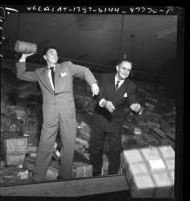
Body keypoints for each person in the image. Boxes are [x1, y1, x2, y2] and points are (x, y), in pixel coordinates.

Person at [16, 46, 99, 181]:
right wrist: (24, 57)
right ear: (45, 57)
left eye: (56, 52)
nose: (55, 54)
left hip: (68, 113)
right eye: (51, 52)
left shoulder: (67, 66)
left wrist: (93, 83)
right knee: (45, 145)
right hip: (50, 113)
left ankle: (64, 177)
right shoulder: (39, 72)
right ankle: (38, 177)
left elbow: (84, 71)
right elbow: (21, 74)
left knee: (68, 145)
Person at [90, 60, 142, 176]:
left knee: (114, 150)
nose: (126, 72)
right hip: (100, 118)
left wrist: (137, 108)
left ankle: (112, 176)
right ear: (117, 68)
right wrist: (104, 103)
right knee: (96, 149)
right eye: (124, 68)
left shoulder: (131, 86)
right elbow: (97, 95)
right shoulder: (104, 78)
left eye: (128, 70)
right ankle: (95, 174)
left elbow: (133, 102)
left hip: (115, 122)